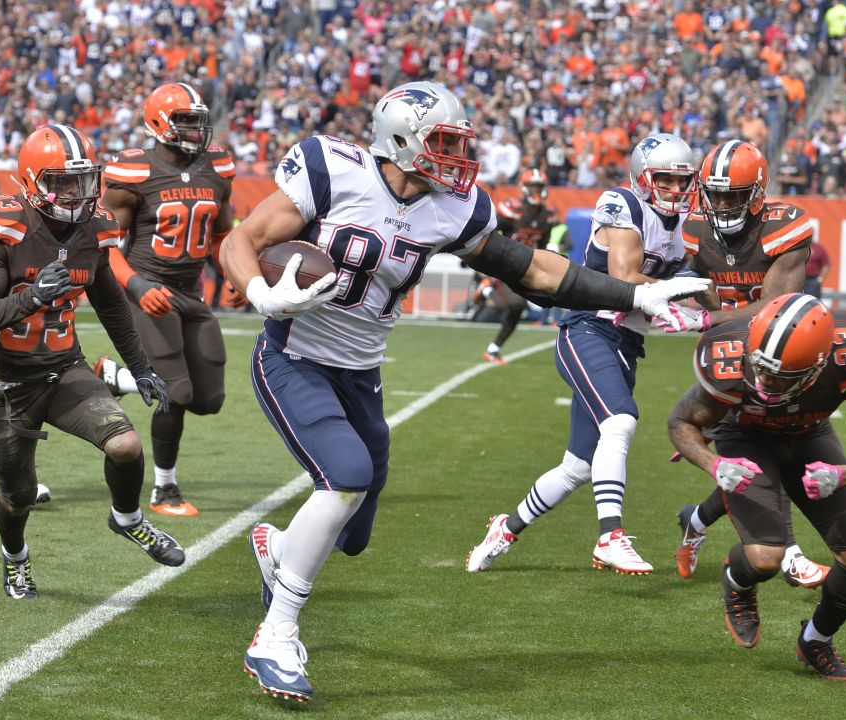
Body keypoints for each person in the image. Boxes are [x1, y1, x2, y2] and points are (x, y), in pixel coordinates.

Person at [220, 82, 710, 702]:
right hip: (294, 356)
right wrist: (262, 295)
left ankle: (279, 546)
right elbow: (240, 241)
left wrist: (634, 295)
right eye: (444, 142)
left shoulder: (452, 206)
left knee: (353, 532)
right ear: (401, 139)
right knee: (344, 477)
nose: (457, 156)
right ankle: (276, 635)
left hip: (362, 373)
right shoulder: (330, 168)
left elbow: (532, 269)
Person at [0, 124, 184, 600]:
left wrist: (139, 367)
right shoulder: (5, 230)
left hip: (63, 369)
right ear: (31, 181)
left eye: (81, 180)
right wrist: (33, 297)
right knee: (18, 497)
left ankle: (128, 519)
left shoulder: (95, 228)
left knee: (124, 444)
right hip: (6, 381)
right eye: (60, 181)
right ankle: (15, 558)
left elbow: (112, 304)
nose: (73, 193)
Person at [466, 134, 700, 576]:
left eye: (680, 180)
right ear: (643, 178)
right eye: (664, 179)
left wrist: (707, 316)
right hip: (589, 327)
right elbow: (624, 277)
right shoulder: (622, 204)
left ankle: (506, 528)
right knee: (621, 420)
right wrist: (676, 294)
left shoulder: (684, 224)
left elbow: (693, 295)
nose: (673, 189)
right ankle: (610, 536)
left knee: (577, 467)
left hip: (627, 343)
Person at [667, 293, 846, 681]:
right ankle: (736, 579)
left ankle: (816, 641)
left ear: (818, 365)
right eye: (760, 367)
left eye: (780, 376)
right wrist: (716, 465)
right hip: (745, 440)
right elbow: (681, 423)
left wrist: (843, 474)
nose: (764, 381)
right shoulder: (729, 353)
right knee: (765, 558)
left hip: (810, 435)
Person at [664, 139, 831, 588]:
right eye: (714, 192)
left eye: (733, 194)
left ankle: (695, 520)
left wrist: (705, 316)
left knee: (764, 455)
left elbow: (775, 305)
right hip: (729, 351)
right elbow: (709, 294)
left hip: (776, 345)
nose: (721, 203)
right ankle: (791, 554)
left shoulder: (785, 224)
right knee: (772, 448)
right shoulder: (696, 227)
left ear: (757, 192)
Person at [92, 83, 245, 518]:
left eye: (199, 120)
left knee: (208, 399)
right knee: (174, 392)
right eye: (186, 121)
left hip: (191, 291)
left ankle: (115, 377)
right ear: (159, 123)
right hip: (149, 290)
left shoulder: (217, 166)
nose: (197, 130)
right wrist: (136, 286)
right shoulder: (134, 171)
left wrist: (236, 273)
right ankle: (164, 490)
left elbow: (219, 234)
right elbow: (104, 242)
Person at [479, 168, 560, 364]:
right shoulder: (512, 210)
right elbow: (488, 232)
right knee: (517, 304)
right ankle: (487, 288)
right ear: (523, 188)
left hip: (527, 266)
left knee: (520, 308)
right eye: (534, 186)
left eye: (540, 187)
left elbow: (542, 245)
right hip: (505, 265)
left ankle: (493, 349)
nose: (537, 191)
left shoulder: (547, 216)